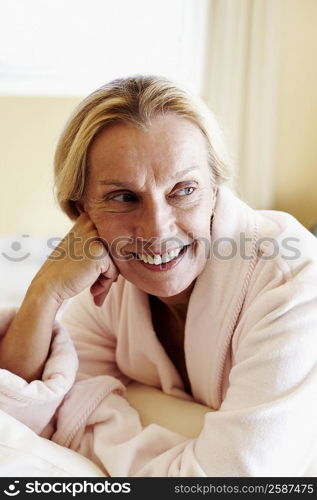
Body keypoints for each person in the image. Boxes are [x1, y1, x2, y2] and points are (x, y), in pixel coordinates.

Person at [0, 75, 316, 477]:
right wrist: (44, 293)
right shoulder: (109, 285)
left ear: (216, 189)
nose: (157, 230)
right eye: (124, 197)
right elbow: (29, 413)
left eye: (184, 190)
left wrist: (114, 422)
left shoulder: (289, 282)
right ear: (81, 212)